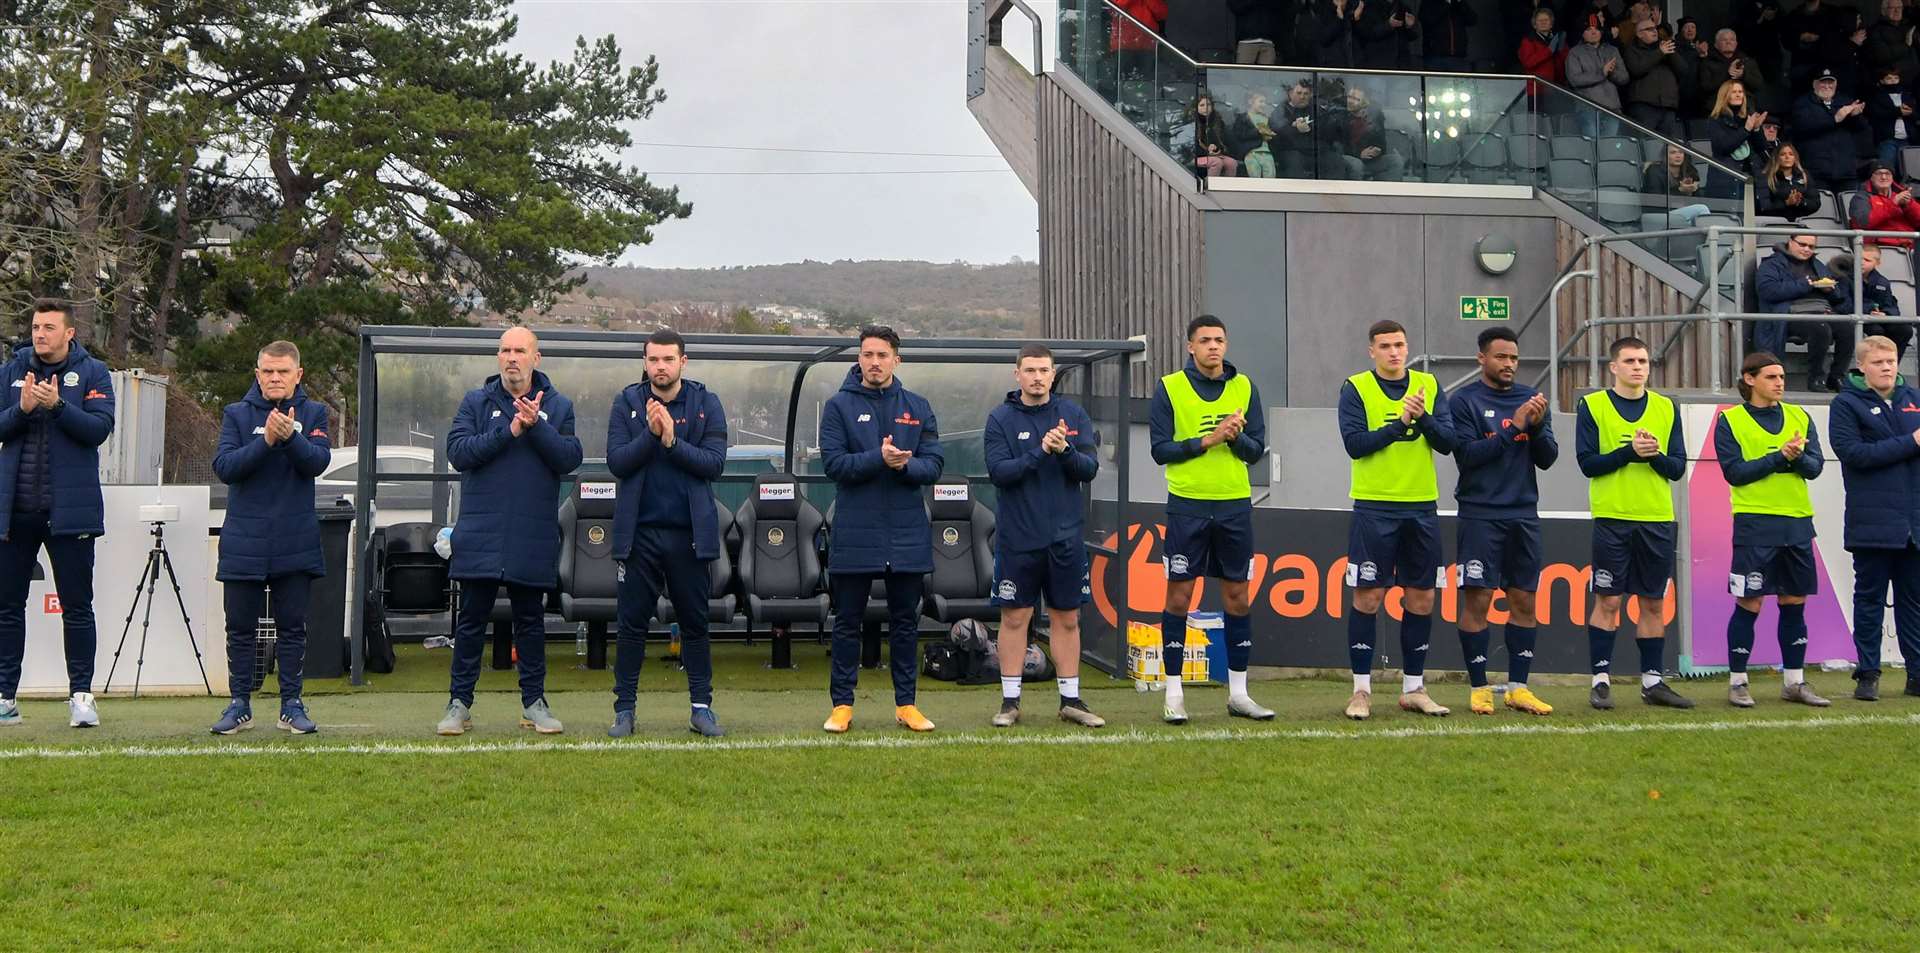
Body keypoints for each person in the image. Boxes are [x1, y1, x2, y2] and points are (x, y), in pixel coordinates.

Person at [436, 327, 583, 736]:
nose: (511, 357)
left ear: (536, 358)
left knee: (530, 621)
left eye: (520, 350)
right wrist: (511, 431)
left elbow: (569, 458)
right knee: (470, 621)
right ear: (498, 357)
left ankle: (534, 703)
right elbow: (459, 453)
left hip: (531, 533)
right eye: (505, 350)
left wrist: (536, 427)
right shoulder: (476, 401)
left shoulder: (559, 405)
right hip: (481, 532)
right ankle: (459, 704)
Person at [604, 328, 730, 739]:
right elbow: (618, 463)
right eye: (653, 360)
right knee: (631, 625)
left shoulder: (706, 403)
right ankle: (624, 710)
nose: (660, 367)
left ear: (682, 362)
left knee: (695, 623)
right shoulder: (626, 402)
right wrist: (651, 435)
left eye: (668, 360)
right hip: (638, 536)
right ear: (645, 363)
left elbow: (713, 464)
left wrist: (673, 441)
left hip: (689, 536)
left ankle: (701, 708)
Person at [819, 326, 944, 734]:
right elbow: (835, 465)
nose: (875, 362)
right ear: (859, 358)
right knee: (847, 620)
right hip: (856, 529)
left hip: (906, 531)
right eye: (868, 354)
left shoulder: (918, 406)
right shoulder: (838, 406)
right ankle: (842, 705)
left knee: (906, 621)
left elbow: (934, 465)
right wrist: (879, 457)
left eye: (882, 355)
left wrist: (905, 465)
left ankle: (906, 705)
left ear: (896, 360)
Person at [1149, 316, 1273, 724]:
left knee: (1238, 596)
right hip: (1187, 505)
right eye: (1205, 341)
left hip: (1234, 505)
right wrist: (1209, 439)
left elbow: (1256, 452)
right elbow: (1160, 450)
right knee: (1179, 597)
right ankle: (1174, 693)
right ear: (1190, 347)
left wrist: (1235, 437)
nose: (1213, 347)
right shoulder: (1170, 387)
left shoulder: (1244, 387)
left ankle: (1238, 693)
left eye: (1219, 339)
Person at [0, 299, 115, 729]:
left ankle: (81, 696)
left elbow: (99, 430)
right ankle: (5, 697)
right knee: (7, 607)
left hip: (72, 514)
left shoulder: (92, 373)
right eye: (35, 326)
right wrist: (24, 409)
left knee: (77, 607)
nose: (40, 334)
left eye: (49, 327)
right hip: (16, 511)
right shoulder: (11, 371)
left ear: (69, 333)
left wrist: (59, 407)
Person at [209, 340, 330, 736]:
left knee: (292, 627)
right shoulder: (237, 414)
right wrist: (266, 442)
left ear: (299, 375)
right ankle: (239, 703)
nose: (275, 378)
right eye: (267, 372)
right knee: (239, 627)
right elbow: (226, 466)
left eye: (283, 372)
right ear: (257, 374)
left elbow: (317, 462)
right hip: (244, 538)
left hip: (294, 538)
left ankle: (291, 704)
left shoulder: (314, 413)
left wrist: (291, 438)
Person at [1337, 320, 1456, 720]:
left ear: (1408, 348)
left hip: (1421, 506)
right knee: (1368, 597)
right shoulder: (1356, 388)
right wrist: (1400, 424)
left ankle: (1413, 688)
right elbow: (1356, 445)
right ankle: (1361, 690)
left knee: (1421, 599)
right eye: (1385, 346)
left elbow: (1447, 442)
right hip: (1374, 506)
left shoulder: (1429, 386)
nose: (1394, 352)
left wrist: (1422, 418)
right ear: (1372, 351)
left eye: (1400, 345)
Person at [983, 343, 1106, 729]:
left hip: (1066, 539)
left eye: (1044, 370)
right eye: (1030, 370)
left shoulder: (1073, 415)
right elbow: (1000, 473)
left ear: (1053, 375)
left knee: (1066, 618)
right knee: (1016, 617)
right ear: (1017, 374)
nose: (1037, 377)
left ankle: (1070, 699)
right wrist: (1041, 452)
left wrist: (1065, 450)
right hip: (1018, 538)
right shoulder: (1000, 418)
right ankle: (1010, 700)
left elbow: (1088, 469)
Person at [1575, 337, 1693, 710]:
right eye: (1629, 361)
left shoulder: (1665, 407)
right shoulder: (1593, 406)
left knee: (1653, 603)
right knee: (1608, 599)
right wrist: (1630, 451)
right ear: (1613, 367)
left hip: (1656, 518)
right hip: (1613, 517)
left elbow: (1676, 467)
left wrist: (1654, 453)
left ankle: (1653, 682)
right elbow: (1588, 464)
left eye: (1643, 360)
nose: (1638, 366)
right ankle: (1601, 680)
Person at [1447, 327, 1558, 717]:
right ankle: (1479, 688)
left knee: (1524, 600)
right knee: (1477, 599)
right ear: (1482, 359)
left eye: (1514, 358)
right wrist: (1514, 427)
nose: (1509, 364)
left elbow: (1547, 459)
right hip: (1480, 514)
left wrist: (1538, 425)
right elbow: (1468, 455)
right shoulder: (1464, 402)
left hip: (1523, 514)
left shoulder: (1531, 399)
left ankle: (1518, 688)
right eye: (1501, 357)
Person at [1713, 352, 1831, 707]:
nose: (1780, 382)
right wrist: (1781, 458)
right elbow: (1735, 472)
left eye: (1782, 376)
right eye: (1771, 377)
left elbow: (1814, 468)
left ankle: (1794, 682)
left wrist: (1796, 457)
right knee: (1749, 602)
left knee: (1793, 602)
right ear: (1749, 379)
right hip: (1755, 524)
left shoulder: (1799, 416)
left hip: (1796, 523)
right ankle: (1737, 682)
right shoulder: (1730, 421)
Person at [1827, 335, 1920, 700]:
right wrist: (1910, 443)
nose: (1886, 367)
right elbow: (1853, 453)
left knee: (1914, 603)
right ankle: (1868, 674)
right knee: (1869, 601)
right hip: (1871, 522)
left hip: (1913, 522)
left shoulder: (1913, 399)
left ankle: (1916, 674)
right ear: (1862, 366)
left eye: (1891, 360)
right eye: (1879, 362)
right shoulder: (1846, 404)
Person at [1755, 233, 1854, 391]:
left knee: (1847, 328)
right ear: (1790, 242)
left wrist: (1830, 290)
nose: (1807, 249)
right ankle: (1816, 378)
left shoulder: (1818, 264)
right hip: (1789, 314)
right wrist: (1804, 284)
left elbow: (1838, 298)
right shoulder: (1771, 264)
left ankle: (1837, 377)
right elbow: (1768, 291)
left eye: (1811, 246)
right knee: (1820, 328)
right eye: (1802, 244)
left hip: (1821, 309)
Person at [1791, 69, 1872, 195]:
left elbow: (1862, 130)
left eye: (1831, 83)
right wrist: (1834, 119)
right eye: (1823, 82)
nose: (1827, 86)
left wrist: (1856, 116)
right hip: (1816, 172)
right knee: (1822, 212)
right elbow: (1802, 128)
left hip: (1846, 172)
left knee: (1850, 211)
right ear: (1814, 84)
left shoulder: (1845, 101)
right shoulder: (1802, 104)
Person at [1272, 79, 1361, 179]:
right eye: (1299, 93)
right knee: (1294, 164)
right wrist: (1294, 128)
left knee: (1337, 162)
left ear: (1310, 95)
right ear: (1290, 94)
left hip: (1318, 151)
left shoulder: (1317, 109)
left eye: (1306, 94)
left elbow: (1330, 131)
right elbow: (1276, 129)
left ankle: (1333, 194)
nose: (1302, 97)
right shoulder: (1282, 109)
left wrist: (1312, 127)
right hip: (1292, 151)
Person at [1621, 17, 1690, 139]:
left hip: (1668, 106)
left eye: (1655, 28)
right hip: (1644, 107)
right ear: (1639, 34)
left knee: (1668, 148)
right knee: (1646, 145)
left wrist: (1670, 52)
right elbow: (1637, 69)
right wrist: (1660, 53)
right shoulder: (1632, 49)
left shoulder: (1664, 47)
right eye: (1649, 29)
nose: (1655, 31)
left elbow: (1684, 70)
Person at [1565, 15, 1629, 138]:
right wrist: (1602, 72)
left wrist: (1611, 72)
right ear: (1582, 33)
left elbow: (1624, 78)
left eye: (1596, 29)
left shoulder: (1612, 50)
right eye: (1589, 29)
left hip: (1612, 108)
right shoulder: (1574, 52)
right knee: (1593, 146)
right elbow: (1574, 79)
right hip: (1587, 108)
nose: (1594, 32)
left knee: (1610, 145)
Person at [1705, 81, 1770, 193]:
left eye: (1740, 92)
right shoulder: (1715, 119)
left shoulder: (1747, 117)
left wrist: (1756, 129)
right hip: (1726, 178)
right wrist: (1746, 130)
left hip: (1750, 174)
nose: (1738, 94)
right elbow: (1723, 147)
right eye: (1733, 92)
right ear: (1725, 96)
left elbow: (1761, 148)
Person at [1847, 161, 1920, 247]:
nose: (1884, 177)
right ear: (1871, 177)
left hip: (1910, 246)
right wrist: (1893, 203)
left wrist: (1909, 204)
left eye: (1888, 173)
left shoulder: (1900, 195)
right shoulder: (1861, 198)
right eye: (1879, 173)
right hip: (1880, 248)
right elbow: (1863, 223)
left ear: (1892, 178)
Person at [1698, 31, 1767, 119]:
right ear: (1716, 44)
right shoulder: (1707, 62)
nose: (1728, 42)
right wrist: (1727, 74)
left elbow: (1759, 84)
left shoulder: (1747, 61)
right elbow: (1705, 87)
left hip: (1745, 110)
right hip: (1717, 111)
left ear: (1736, 43)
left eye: (1732, 39)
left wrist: (1743, 75)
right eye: (1724, 40)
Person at [1863, 68, 1918, 173]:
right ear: (1882, 81)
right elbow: (1875, 114)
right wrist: (1898, 112)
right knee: (1886, 169)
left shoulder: (1907, 95)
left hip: (1907, 139)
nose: (1893, 81)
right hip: (1887, 139)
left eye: (1896, 78)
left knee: (1909, 171)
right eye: (1889, 78)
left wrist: (1911, 113)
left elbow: (1916, 115)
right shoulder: (1877, 96)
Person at [1642, 143, 1712, 226]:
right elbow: (1656, 202)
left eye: (1681, 152)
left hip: (1683, 212)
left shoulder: (1690, 170)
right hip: (1661, 214)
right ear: (1665, 155)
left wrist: (1692, 192)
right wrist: (1680, 191)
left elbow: (1699, 200)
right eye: (1673, 152)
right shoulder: (1654, 171)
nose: (1678, 155)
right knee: (1702, 209)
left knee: (1695, 223)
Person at [1344, 86, 1404, 181]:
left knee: (1395, 161)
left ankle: (1385, 193)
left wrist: (1377, 150)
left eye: (1356, 99)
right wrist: (1359, 154)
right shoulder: (1341, 116)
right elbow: (1338, 146)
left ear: (1365, 102)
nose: (1350, 101)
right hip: (1348, 160)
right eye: (1349, 97)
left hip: (1370, 161)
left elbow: (1382, 144)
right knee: (1356, 164)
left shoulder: (1374, 118)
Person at [1758, 143, 1822, 219]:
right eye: (1783, 154)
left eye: (1791, 154)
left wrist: (1800, 201)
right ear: (1776, 158)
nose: (1787, 157)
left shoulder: (1804, 175)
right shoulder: (1766, 177)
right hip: (1774, 225)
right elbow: (1762, 207)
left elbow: (1816, 203)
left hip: (1799, 224)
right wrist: (1786, 203)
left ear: (1795, 158)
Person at [1518, 8, 1569, 99]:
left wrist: (1561, 50)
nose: (1543, 22)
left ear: (1551, 23)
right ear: (1534, 25)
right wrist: (1548, 51)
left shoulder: (1558, 39)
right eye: (1540, 20)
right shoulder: (1528, 41)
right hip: (1537, 90)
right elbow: (1528, 63)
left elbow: (1566, 63)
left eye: (1546, 20)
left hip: (1557, 88)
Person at [1864, 0, 1918, 84]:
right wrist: (1905, 45)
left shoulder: (1907, 26)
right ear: (1883, 10)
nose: (1897, 11)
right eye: (1892, 8)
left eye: (1899, 7)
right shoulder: (1875, 30)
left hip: (1914, 80)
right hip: (1893, 82)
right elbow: (1881, 56)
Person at [1420, 0, 1478, 72]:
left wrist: (1461, 3)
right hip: (1435, 57)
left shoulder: (1458, 4)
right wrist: (1447, 4)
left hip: (1459, 57)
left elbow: (1472, 20)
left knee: (1462, 82)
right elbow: (1427, 19)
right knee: (1434, 82)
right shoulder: (1429, 2)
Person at [1191, 93, 1240, 178]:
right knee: (1216, 162)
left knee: (1232, 163)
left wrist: (1218, 149)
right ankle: (1209, 187)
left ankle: (1226, 188)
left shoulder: (1218, 122)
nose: (1205, 108)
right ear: (1196, 107)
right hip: (1194, 157)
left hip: (1214, 156)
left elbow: (1225, 142)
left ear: (1212, 107)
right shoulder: (1191, 123)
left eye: (1208, 105)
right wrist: (1207, 151)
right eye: (1202, 105)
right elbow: (1189, 147)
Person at [1231, 91, 1278, 178]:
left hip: (1267, 153)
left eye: (1265, 102)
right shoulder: (1243, 118)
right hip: (1251, 153)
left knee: (1271, 177)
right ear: (1250, 102)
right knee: (1254, 178)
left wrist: (1271, 136)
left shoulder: (1267, 118)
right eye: (1261, 101)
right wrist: (1258, 132)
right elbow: (1239, 134)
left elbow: (1274, 134)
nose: (1264, 104)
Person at [1227, 0, 1285, 64]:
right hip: (1247, 41)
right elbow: (1235, 6)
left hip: (1268, 42)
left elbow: (1282, 6)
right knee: (1244, 72)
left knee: (1267, 73)